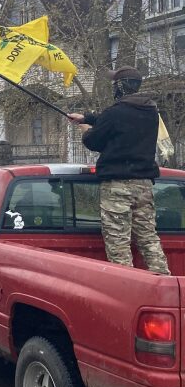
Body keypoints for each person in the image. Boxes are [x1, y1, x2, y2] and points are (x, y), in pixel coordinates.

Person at [67, 66, 169, 275]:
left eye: (115, 84)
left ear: (120, 87)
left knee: (118, 243)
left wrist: (86, 129)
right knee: (148, 237)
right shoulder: (151, 111)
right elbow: (119, 121)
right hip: (144, 185)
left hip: (117, 187)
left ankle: (126, 288)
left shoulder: (115, 113)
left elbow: (95, 141)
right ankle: (163, 280)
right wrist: (87, 117)